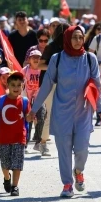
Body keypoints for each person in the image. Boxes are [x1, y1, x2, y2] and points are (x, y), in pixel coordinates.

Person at [27, 26, 101, 197]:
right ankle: (67, 184)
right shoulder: (57, 58)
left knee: (82, 149)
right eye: (74, 37)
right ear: (67, 39)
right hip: (62, 113)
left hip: (83, 113)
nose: (78, 41)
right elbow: (47, 84)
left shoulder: (90, 59)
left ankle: (79, 171)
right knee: (64, 150)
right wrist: (34, 109)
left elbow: (96, 88)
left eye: (80, 37)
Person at [0, 71, 31, 196]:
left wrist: (32, 117)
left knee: (17, 162)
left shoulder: (25, 101)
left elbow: (27, 117)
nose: (16, 88)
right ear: (8, 86)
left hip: (19, 136)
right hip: (5, 137)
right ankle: (7, 178)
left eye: (19, 85)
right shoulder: (1, 100)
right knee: (4, 162)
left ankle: (15, 186)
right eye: (13, 85)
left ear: (22, 86)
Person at [35, 23, 70, 156]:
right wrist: (55, 66)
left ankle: (66, 144)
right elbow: (40, 65)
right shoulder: (52, 47)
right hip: (51, 83)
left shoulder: (73, 48)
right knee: (49, 113)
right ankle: (43, 143)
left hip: (67, 85)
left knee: (67, 115)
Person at [21, 50, 48, 156]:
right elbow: (19, 80)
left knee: (41, 118)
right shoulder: (25, 70)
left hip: (39, 99)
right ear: (29, 60)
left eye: (38, 57)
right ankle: (24, 145)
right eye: (34, 57)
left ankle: (38, 142)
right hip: (27, 99)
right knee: (28, 122)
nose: (36, 59)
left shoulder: (43, 70)